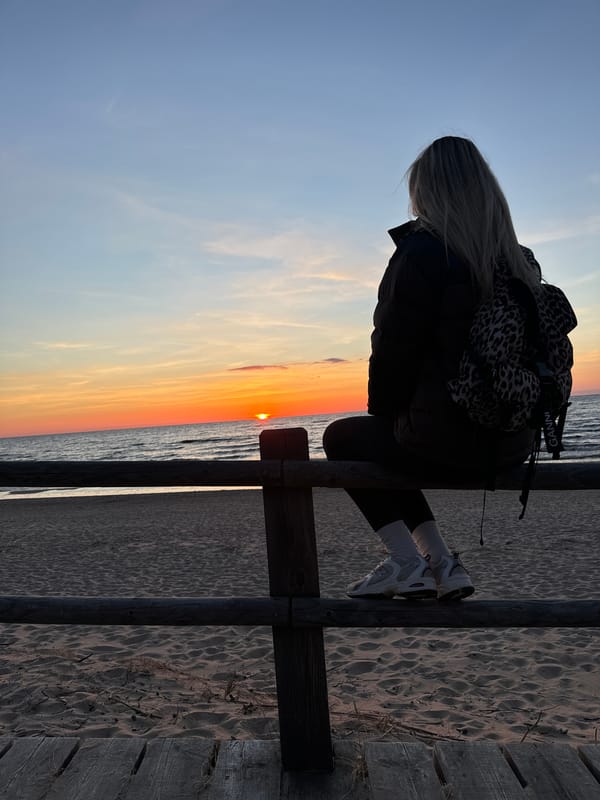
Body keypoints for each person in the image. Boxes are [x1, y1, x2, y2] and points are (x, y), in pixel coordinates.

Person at [323, 136, 541, 601]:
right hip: (512, 443)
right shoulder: (519, 260)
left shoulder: (422, 252)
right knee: (392, 439)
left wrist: (385, 413)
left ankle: (405, 560)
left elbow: (392, 349)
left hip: (446, 442)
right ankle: (441, 563)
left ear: (428, 192)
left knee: (344, 438)